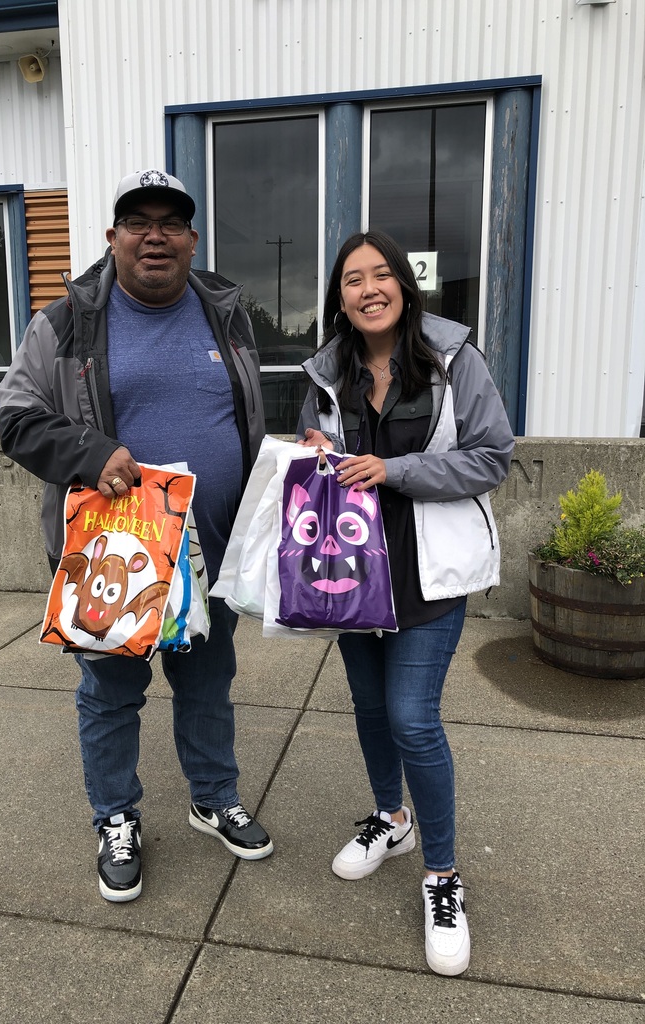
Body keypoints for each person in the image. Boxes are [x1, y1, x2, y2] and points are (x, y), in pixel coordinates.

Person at [0, 168, 273, 904]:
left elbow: (247, 421)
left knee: (209, 688)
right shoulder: (66, 323)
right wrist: (90, 454)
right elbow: (15, 418)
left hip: (209, 557)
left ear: (190, 239)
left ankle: (213, 797)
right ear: (112, 238)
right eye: (138, 221)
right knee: (112, 695)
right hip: (115, 558)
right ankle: (116, 816)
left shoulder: (228, 314)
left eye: (171, 223)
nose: (156, 235)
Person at [296, 230, 514, 976]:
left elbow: (491, 456)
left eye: (380, 274)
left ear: (405, 285)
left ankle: (443, 878)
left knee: (412, 718)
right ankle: (391, 821)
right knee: (367, 708)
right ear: (340, 299)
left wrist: (393, 469)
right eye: (352, 280)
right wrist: (312, 454)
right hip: (351, 574)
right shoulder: (330, 372)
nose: (367, 289)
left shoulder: (453, 361)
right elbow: (315, 453)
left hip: (428, 575)